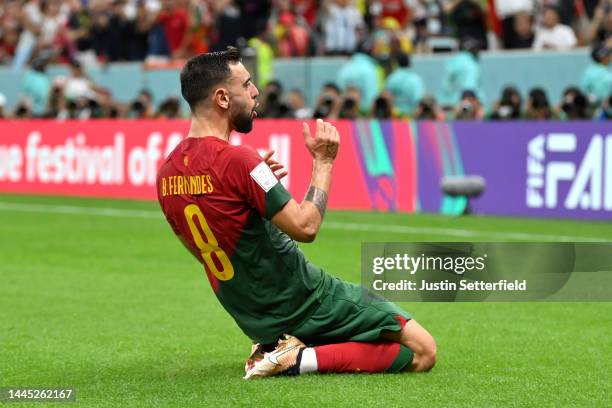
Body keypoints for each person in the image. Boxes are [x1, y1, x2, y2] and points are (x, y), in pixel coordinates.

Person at [156, 47, 436, 379]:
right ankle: (296, 359)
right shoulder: (240, 162)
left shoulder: (167, 173)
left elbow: (219, 234)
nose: (255, 91)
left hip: (253, 314)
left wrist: (256, 191)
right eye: (246, 85)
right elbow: (306, 225)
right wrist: (324, 163)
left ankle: (276, 345)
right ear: (222, 98)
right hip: (306, 299)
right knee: (422, 351)